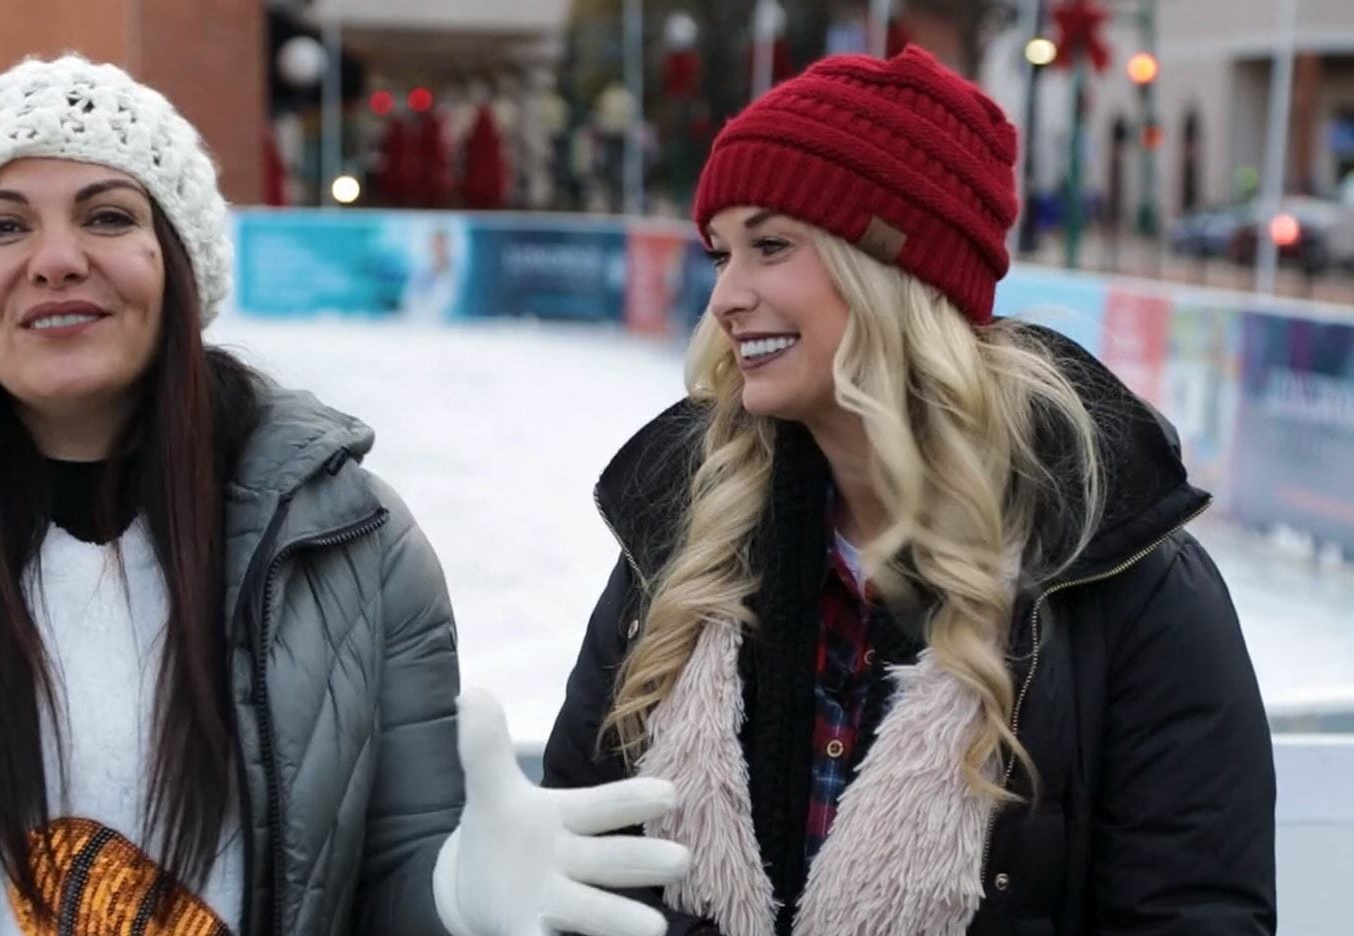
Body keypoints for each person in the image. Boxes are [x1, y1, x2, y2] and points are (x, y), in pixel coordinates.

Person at [0, 56, 687, 936]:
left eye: (107, 215)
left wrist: (452, 896)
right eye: (3, 225)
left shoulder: (358, 548)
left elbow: (393, 875)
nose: (56, 257)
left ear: (178, 266)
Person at [542, 47, 1275, 936]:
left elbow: (1192, 915)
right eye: (721, 252)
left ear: (893, 271)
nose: (726, 296)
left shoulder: (1126, 580)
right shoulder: (679, 538)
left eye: (771, 246)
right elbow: (583, 867)